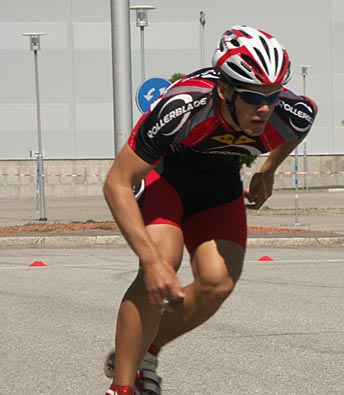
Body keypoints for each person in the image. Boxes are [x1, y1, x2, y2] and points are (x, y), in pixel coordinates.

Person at [103, 25, 318, 395]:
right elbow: (116, 183)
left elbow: (299, 128)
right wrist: (150, 261)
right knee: (162, 262)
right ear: (224, 90)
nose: (265, 108)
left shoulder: (291, 112)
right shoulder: (183, 107)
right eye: (252, 97)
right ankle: (121, 387)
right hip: (168, 179)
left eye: (272, 95)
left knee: (217, 283)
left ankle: (146, 352)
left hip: (219, 187)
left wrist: (267, 171)